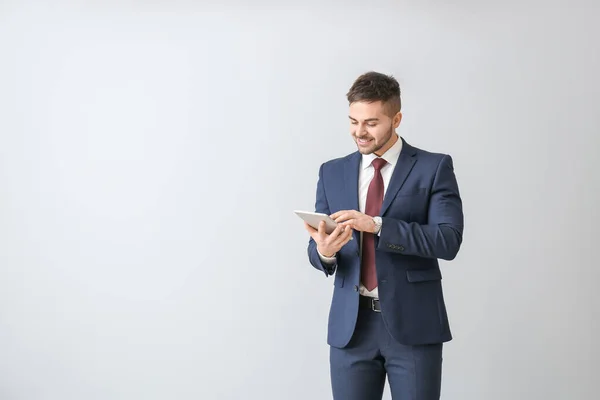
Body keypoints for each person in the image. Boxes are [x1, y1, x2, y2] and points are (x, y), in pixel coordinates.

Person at [303, 71, 464, 400]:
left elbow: (448, 240)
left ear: (397, 118)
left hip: (414, 326)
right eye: (353, 121)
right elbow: (317, 249)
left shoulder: (433, 168)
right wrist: (325, 251)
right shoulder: (331, 171)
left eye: (371, 123)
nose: (359, 132)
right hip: (352, 328)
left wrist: (377, 225)